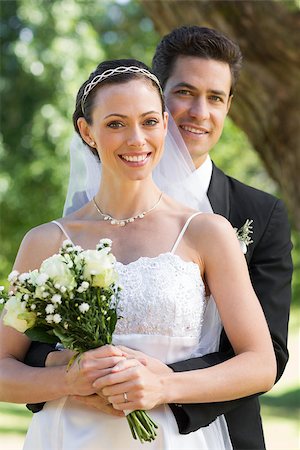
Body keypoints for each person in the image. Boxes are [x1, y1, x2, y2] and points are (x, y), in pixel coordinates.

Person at [24, 27, 293, 449]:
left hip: (186, 429)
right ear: (87, 131)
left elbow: (264, 358)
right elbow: (25, 346)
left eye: (216, 97)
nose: (199, 112)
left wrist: (162, 385)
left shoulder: (227, 225)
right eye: (185, 92)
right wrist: (68, 373)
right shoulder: (57, 235)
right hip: (71, 430)